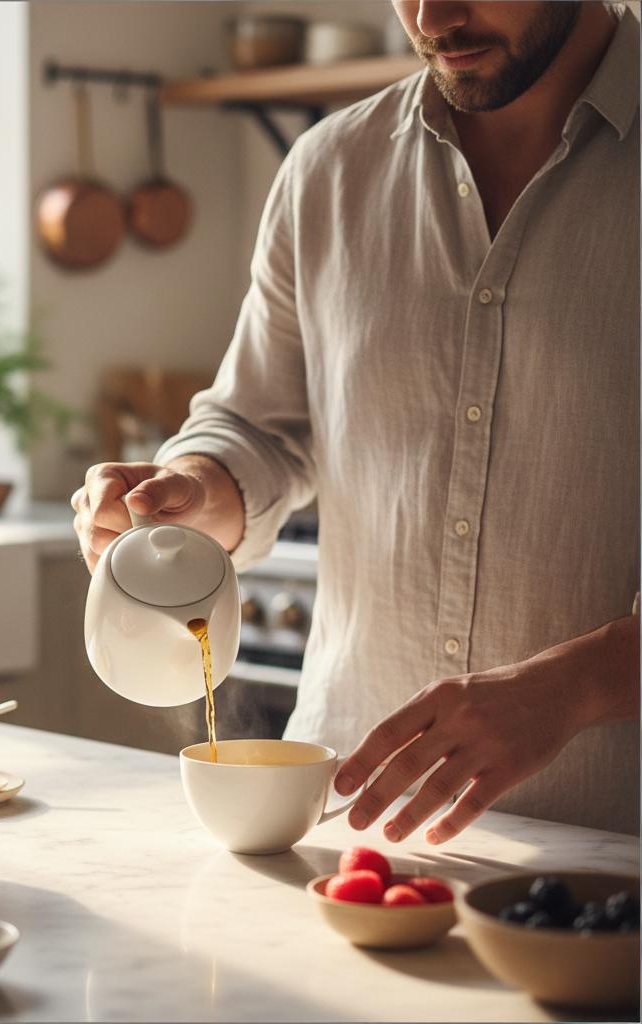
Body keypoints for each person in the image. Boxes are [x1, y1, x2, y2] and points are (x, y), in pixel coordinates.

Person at [71, 0, 640, 842]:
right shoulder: (328, 170)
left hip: (616, 847)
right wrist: (194, 488)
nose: (432, 14)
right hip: (350, 826)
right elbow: (258, 428)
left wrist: (576, 686)